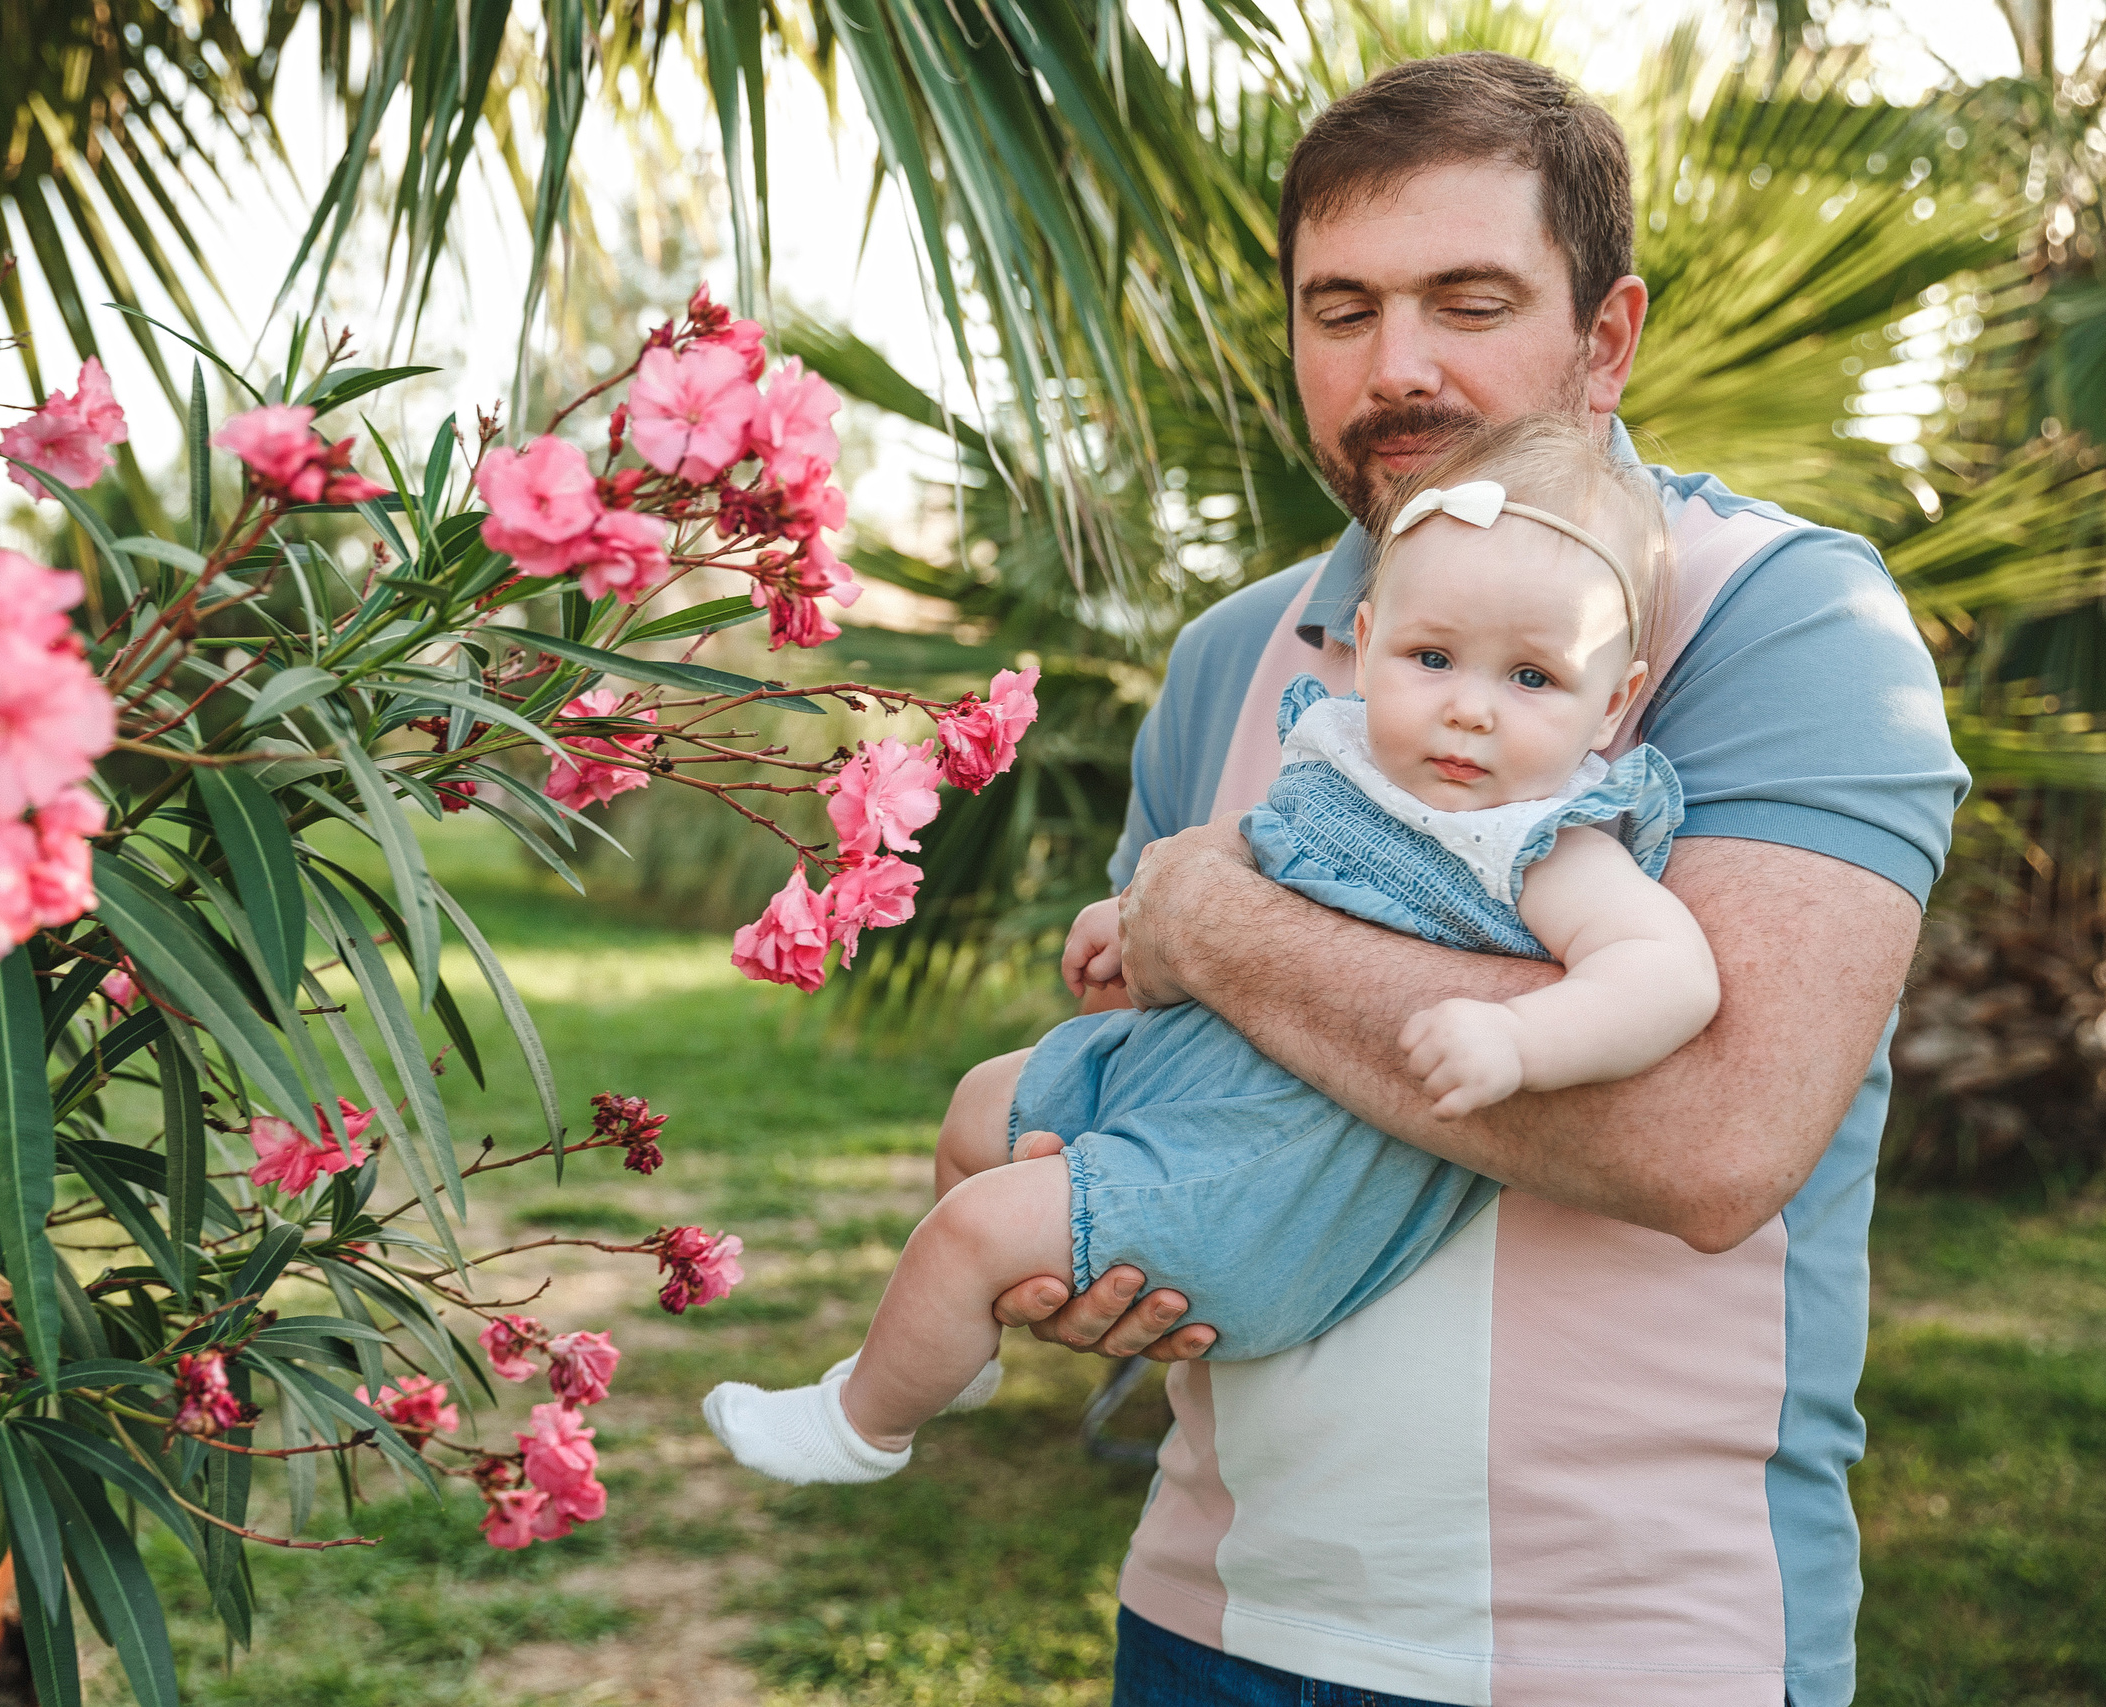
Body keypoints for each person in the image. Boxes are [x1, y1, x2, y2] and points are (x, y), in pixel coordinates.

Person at [983, 51, 1962, 1707]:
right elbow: (1177, 1078)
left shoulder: (1786, 617)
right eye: (1341, 307)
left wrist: (1215, 920)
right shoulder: (1236, 655)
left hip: (1635, 1653)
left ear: (1608, 337)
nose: (1398, 366)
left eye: (1469, 299)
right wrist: (1075, 1216)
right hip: (1213, 1617)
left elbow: (1713, 1137)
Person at [704, 417, 1721, 1486]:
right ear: (1366, 642)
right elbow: (1242, 841)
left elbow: (1665, 973)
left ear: (1609, 703)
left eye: (1531, 679)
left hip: (1273, 1169)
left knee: (974, 1229)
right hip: (1188, 1073)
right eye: (1432, 658)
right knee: (972, 1114)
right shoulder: (1339, 761)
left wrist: (1521, 1039)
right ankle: (953, 1356)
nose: (1468, 708)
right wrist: (1133, 912)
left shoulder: (1542, 844)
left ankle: (863, 1426)